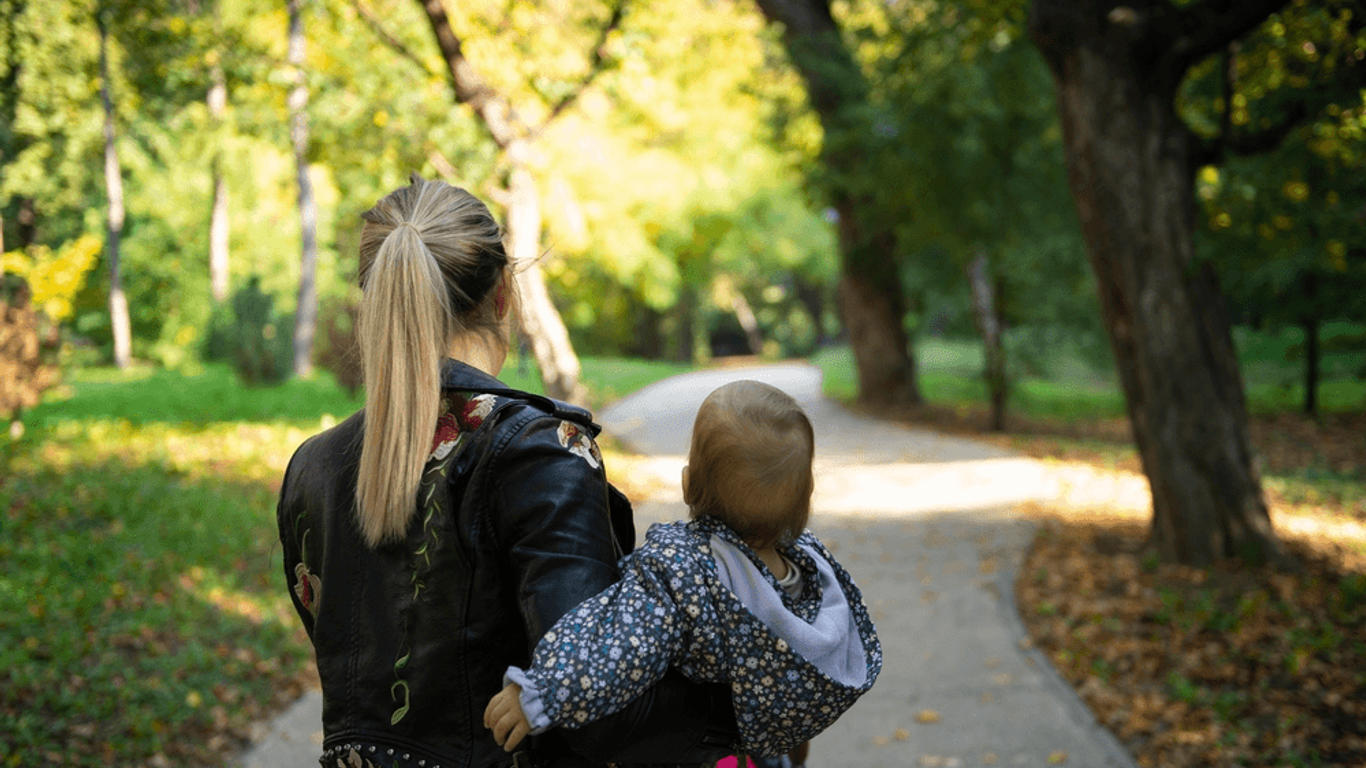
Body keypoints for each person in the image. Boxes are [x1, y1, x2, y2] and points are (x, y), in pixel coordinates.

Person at [276, 174, 737, 768]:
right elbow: (593, 703)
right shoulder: (541, 452)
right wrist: (744, 701)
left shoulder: (312, 468)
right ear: (502, 295)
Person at [483, 380, 882, 762]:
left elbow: (622, 645)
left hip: (692, 752)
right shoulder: (812, 573)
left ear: (688, 484)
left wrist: (542, 692)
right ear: (803, 503)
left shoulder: (684, 570)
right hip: (760, 740)